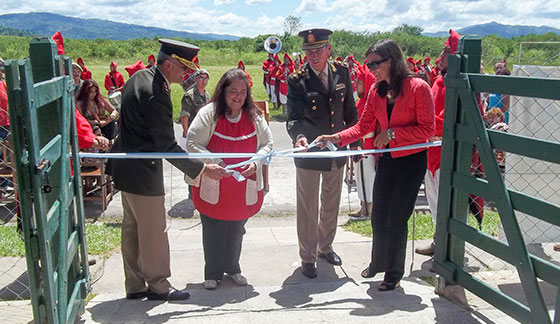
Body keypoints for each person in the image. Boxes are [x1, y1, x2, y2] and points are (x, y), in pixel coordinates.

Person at [111, 39, 228, 301]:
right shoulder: (157, 93)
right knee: (152, 232)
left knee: (132, 229)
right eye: (183, 67)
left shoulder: (140, 77)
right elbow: (167, 145)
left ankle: (135, 284)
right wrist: (201, 168)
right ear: (168, 64)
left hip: (126, 169)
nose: (186, 73)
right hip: (143, 171)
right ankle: (159, 286)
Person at [317, 39, 435, 291]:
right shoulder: (375, 90)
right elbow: (364, 126)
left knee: (397, 216)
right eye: (368, 64)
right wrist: (336, 138)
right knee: (379, 214)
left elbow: (428, 129)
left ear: (391, 60)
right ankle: (378, 263)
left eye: (375, 63)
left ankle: (394, 272)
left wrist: (392, 134)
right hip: (388, 159)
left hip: (412, 160)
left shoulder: (418, 87)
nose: (370, 69)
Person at [186, 68, 273, 290]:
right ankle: (212, 273)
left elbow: (268, 144)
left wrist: (255, 162)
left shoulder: (255, 116)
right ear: (223, 91)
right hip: (214, 181)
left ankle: (233, 268)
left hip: (243, 185)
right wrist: (214, 162)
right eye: (233, 91)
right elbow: (192, 143)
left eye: (243, 91)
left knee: (237, 227)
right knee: (213, 227)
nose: (238, 96)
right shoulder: (208, 113)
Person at [287, 28, 358, 279]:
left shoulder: (342, 72)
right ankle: (307, 256)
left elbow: (350, 111)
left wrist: (355, 142)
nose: (313, 56)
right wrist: (300, 137)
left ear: (329, 50)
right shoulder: (297, 79)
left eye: (318, 50)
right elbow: (293, 118)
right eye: (308, 51)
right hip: (309, 151)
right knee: (307, 207)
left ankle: (325, 247)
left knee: (331, 202)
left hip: (336, 148)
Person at [415, 29, 461, 256]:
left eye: (444, 54)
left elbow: (448, 120)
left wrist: (420, 119)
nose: (438, 59)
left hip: (446, 153)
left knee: (446, 203)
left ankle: (447, 248)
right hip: (431, 152)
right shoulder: (438, 81)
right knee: (434, 201)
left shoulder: (456, 85)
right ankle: (437, 240)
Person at [347, 61, 377, 221]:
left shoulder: (370, 104)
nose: (356, 84)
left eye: (359, 82)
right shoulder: (359, 102)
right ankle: (363, 206)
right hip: (358, 146)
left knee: (368, 178)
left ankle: (369, 209)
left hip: (368, 146)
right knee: (359, 177)